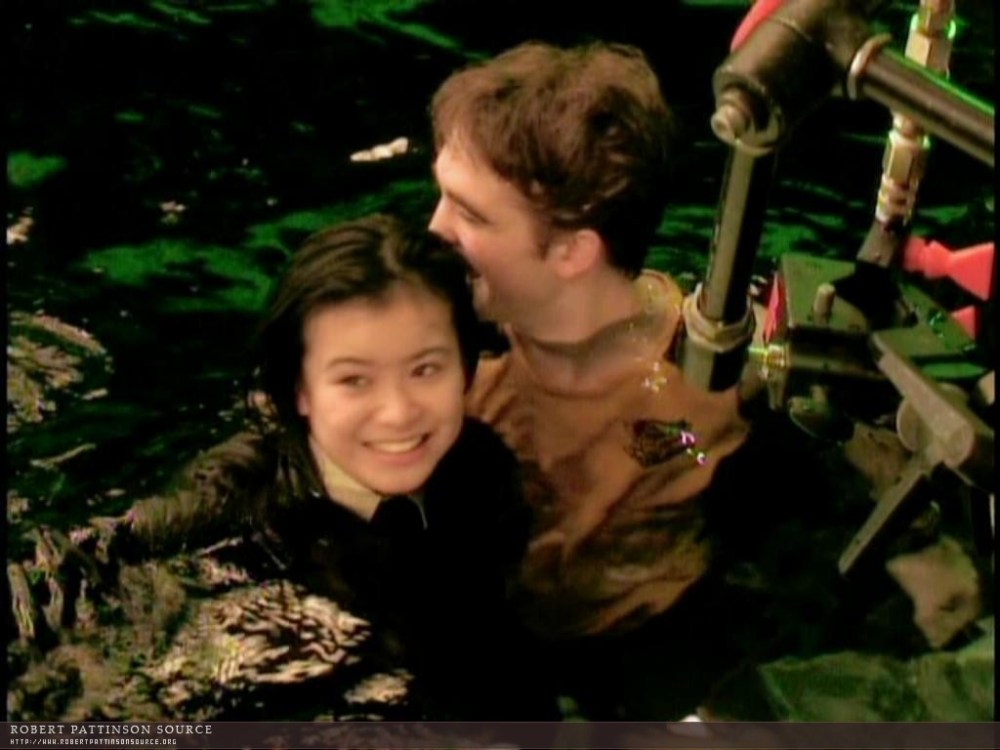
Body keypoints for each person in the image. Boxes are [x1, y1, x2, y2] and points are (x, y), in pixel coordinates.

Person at [7, 214, 555, 722]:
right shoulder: (221, 512)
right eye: (354, 380)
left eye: (425, 369)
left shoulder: (482, 472)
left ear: (466, 368)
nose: (398, 412)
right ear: (299, 391)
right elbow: (67, 575)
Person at [427, 40, 797, 718]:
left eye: (469, 213)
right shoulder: (439, 364)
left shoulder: (715, 385)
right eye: (441, 196)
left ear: (573, 250)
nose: (433, 228)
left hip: (660, 651)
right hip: (491, 648)